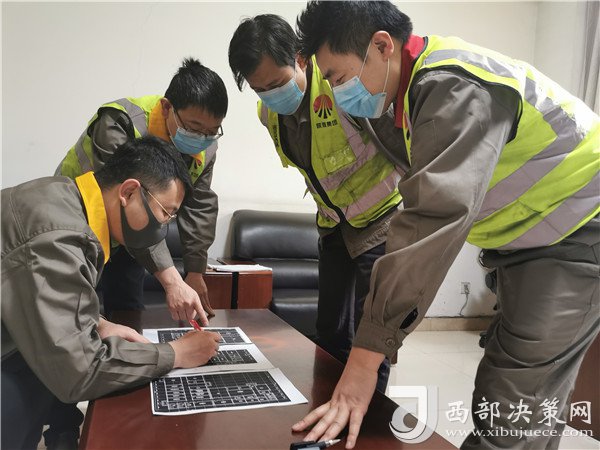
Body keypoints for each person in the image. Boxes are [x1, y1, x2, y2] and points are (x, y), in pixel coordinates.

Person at [293, 1, 600, 449]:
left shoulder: (453, 87)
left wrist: (365, 356)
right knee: (523, 402)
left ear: (382, 46)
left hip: (576, 231)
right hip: (532, 240)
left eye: (339, 79)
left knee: (510, 410)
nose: (339, 94)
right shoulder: (407, 97)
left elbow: (430, 219)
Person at [1, 136, 222, 450]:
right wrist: (177, 353)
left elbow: (39, 291)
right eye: (165, 213)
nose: (163, 227)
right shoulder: (59, 239)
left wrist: (98, 323)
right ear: (129, 192)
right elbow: (79, 372)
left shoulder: (63, 199)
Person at [228, 14, 407, 393]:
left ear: (299, 58)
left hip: (380, 223)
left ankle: (368, 411)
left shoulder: (343, 88)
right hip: (332, 227)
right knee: (329, 330)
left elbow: (401, 147)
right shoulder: (269, 114)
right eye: (260, 90)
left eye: (276, 84)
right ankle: (326, 402)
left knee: (370, 335)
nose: (270, 95)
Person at [56, 57, 228, 323]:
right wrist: (172, 280)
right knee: (73, 310)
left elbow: (199, 206)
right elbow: (127, 206)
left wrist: (194, 271)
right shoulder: (121, 122)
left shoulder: (206, 148)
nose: (202, 138)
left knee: (127, 312)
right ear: (167, 107)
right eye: (194, 128)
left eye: (212, 131)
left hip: (134, 237)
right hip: (79, 224)